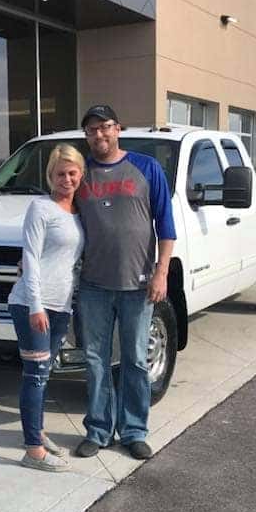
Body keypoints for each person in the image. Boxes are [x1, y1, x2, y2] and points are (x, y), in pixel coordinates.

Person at [73, 105, 176, 461]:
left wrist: (162, 272)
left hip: (139, 284)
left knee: (134, 359)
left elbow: (166, 225)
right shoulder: (79, 174)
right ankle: (99, 430)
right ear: (85, 136)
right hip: (93, 285)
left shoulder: (147, 168)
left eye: (105, 127)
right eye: (91, 130)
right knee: (95, 360)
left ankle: (134, 431)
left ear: (119, 129)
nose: (98, 135)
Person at [7, 144, 86, 472]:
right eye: (59, 174)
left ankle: (37, 432)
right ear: (49, 177)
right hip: (32, 304)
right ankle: (33, 451)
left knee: (44, 374)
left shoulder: (77, 212)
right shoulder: (41, 208)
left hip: (61, 306)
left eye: (72, 173)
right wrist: (36, 307)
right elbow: (30, 258)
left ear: (80, 174)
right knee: (35, 376)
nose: (66, 179)